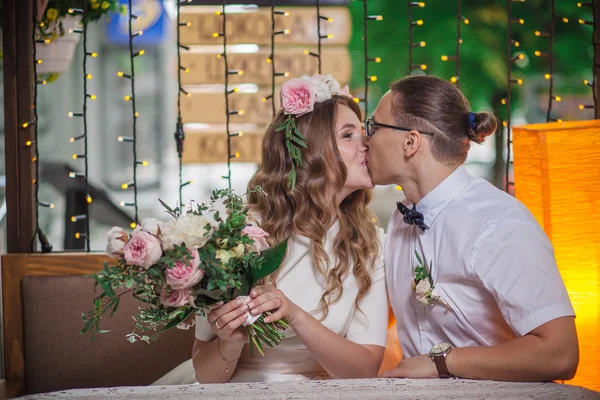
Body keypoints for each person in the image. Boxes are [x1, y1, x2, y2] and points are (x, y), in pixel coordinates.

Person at [365, 75, 578, 381]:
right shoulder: (402, 218)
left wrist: (442, 362)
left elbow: (561, 354)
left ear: (410, 142)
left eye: (373, 127)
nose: (365, 139)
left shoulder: (499, 224)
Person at [187, 74, 388, 383]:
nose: (367, 144)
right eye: (348, 135)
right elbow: (206, 376)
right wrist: (231, 339)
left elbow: (363, 371)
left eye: (363, 133)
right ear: (309, 152)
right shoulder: (239, 235)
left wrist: (294, 314)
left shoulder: (369, 242)